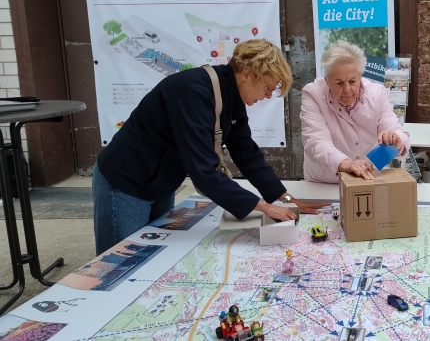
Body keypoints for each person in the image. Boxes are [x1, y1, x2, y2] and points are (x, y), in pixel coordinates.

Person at [93, 39, 329, 255]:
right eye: (268, 87)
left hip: (161, 183)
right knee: (118, 263)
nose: (268, 96)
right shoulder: (193, 92)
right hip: (125, 183)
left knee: (151, 254)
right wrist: (263, 207)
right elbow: (203, 171)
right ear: (247, 73)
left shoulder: (232, 97)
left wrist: (286, 198)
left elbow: (246, 152)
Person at [301, 41, 410, 183]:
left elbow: (401, 137)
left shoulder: (377, 94)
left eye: (353, 81)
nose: (347, 89)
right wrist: (347, 164)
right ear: (327, 81)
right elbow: (315, 141)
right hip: (325, 181)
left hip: (367, 178)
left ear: (360, 76)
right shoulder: (313, 94)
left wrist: (373, 162)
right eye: (339, 83)